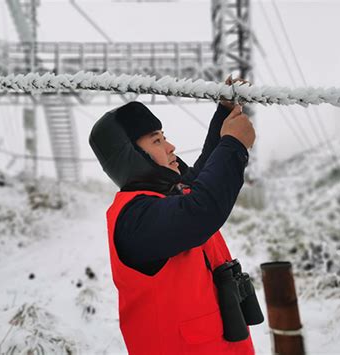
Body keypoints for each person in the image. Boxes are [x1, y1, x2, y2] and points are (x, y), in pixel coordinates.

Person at [89, 79, 258, 354]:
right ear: (130, 157)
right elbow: (202, 209)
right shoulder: (135, 219)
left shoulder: (169, 195)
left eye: (164, 137)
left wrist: (225, 112)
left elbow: (205, 173)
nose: (171, 146)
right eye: (157, 140)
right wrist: (234, 145)